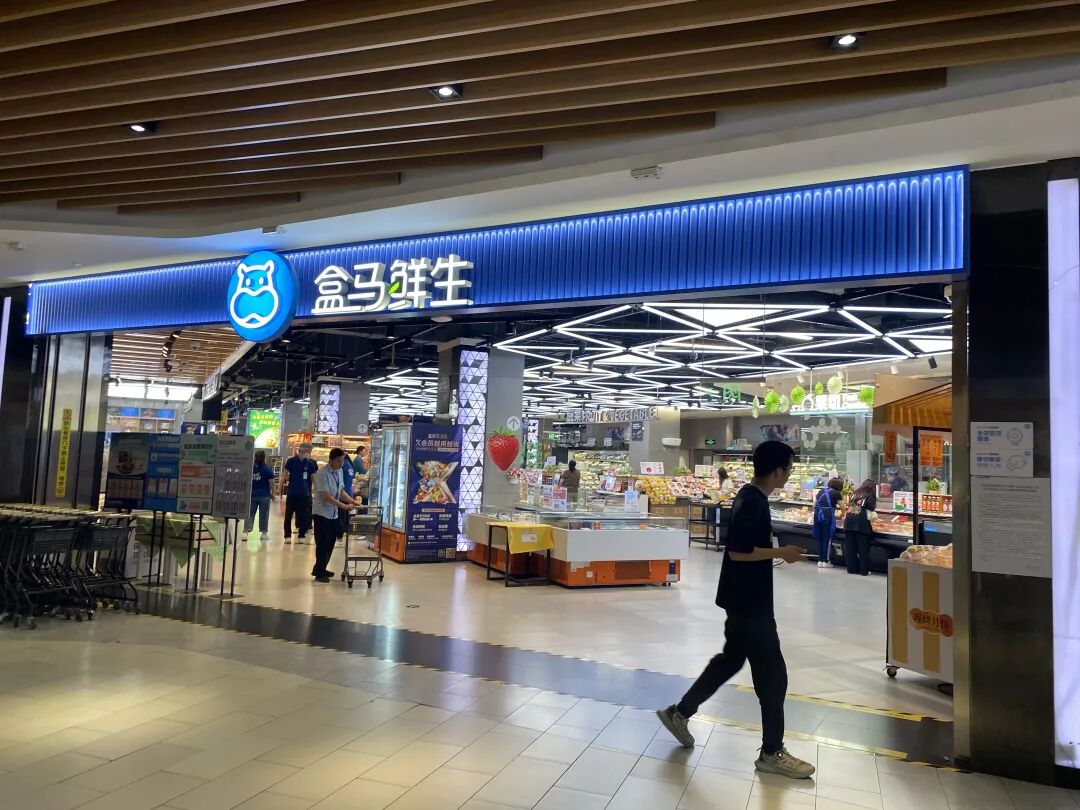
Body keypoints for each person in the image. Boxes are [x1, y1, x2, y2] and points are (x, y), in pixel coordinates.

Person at [656, 441, 815, 780]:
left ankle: (679, 713)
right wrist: (782, 553)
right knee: (773, 676)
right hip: (750, 605)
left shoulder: (751, 497)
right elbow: (739, 553)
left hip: (743, 600)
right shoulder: (752, 501)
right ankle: (772, 752)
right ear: (777, 470)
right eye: (788, 468)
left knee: (729, 661)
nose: (789, 474)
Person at [311, 448, 356, 583]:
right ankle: (319, 574)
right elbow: (326, 496)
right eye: (339, 461)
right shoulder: (322, 474)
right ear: (331, 460)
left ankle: (321, 568)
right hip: (322, 513)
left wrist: (352, 501)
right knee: (322, 543)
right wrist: (344, 506)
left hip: (333, 514)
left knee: (330, 542)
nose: (341, 464)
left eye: (342, 461)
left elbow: (340, 491)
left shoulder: (339, 472)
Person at [281, 443, 318, 543]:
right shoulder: (291, 461)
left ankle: (302, 535)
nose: (309, 454)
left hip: (304, 494)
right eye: (308, 452)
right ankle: (287, 535)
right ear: (303, 451)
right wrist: (280, 489)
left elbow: (314, 478)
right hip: (292, 493)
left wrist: (317, 491)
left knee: (304, 516)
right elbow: (284, 475)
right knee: (288, 515)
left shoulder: (309, 463)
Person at [844, 479, 877, 576]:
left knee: (851, 549)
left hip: (848, 522)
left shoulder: (855, 493)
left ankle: (851, 569)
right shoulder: (870, 494)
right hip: (861, 524)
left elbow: (852, 507)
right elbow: (870, 508)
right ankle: (863, 571)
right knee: (863, 549)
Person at [812, 477, 843, 569]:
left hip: (817, 517)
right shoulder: (836, 493)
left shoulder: (821, 491)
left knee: (819, 538)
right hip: (828, 518)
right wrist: (841, 516)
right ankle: (826, 561)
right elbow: (843, 507)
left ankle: (820, 561)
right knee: (827, 539)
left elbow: (814, 505)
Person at [247, 450, 275, 542]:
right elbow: (271, 483)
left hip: (252, 495)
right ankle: (264, 533)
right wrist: (273, 494)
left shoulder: (251, 469)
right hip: (264, 495)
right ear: (264, 458)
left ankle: (245, 532)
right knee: (264, 515)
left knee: (250, 514)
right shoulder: (267, 469)